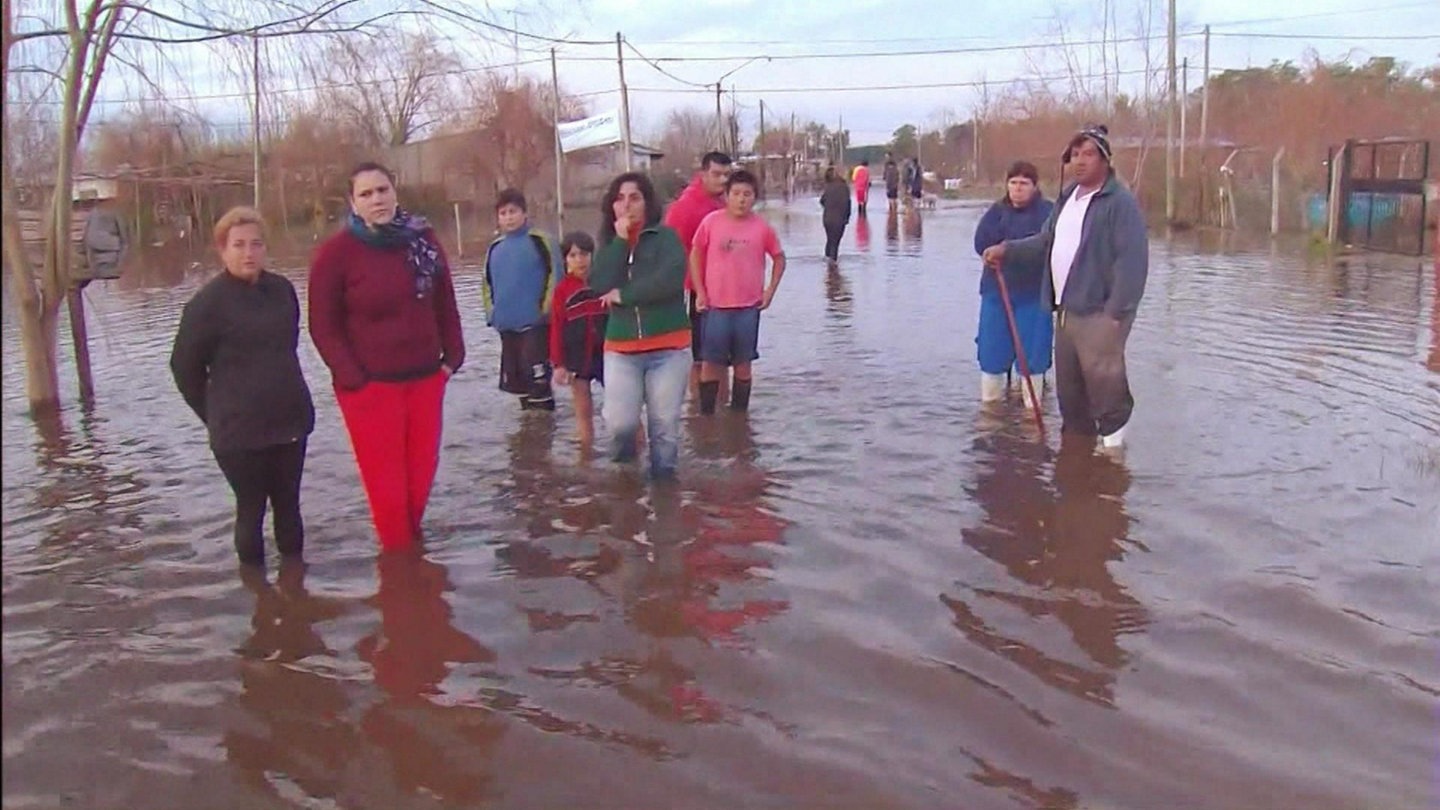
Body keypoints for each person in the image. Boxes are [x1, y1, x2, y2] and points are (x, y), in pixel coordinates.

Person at [308, 161, 466, 552]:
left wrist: (453, 357)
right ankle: (399, 569)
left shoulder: (422, 239)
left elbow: (444, 300)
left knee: (420, 483)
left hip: (426, 378)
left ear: (395, 192)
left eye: (382, 190)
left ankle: (416, 568)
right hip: (371, 388)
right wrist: (354, 378)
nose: (376, 199)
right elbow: (323, 327)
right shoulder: (335, 254)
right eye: (366, 194)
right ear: (352, 202)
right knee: (389, 495)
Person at [983, 125, 1148, 449]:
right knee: (1071, 396)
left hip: (1100, 314)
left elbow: (1132, 261)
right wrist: (1007, 249)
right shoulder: (1068, 197)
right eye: (1074, 155)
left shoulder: (1120, 203)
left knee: (1107, 391)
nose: (1080, 161)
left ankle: (1114, 459)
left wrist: (1116, 313)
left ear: (1105, 160)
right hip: (1065, 312)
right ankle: (1077, 459)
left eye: (1088, 154)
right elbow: (1047, 240)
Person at [170, 206, 315, 567]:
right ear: (223, 250)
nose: (248, 253)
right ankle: (256, 589)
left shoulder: (281, 290)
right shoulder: (206, 305)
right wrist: (214, 413)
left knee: (289, 505)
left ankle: (295, 584)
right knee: (251, 510)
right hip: (238, 433)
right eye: (239, 245)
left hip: (289, 420)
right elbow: (184, 368)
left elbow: (287, 346)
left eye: (256, 244)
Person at [590, 172, 692, 478]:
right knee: (620, 425)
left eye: (634, 198)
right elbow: (599, 284)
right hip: (621, 349)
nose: (626, 205)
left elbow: (669, 281)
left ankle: (665, 493)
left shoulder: (666, 239)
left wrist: (625, 295)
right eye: (619, 199)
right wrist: (621, 242)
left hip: (668, 348)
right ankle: (625, 487)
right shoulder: (608, 245)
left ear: (647, 203)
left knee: (664, 428)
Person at [690, 169, 787, 415]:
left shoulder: (762, 227)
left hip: (748, 308)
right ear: (726, 196)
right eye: (736, 194)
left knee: (743, 366)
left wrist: (770, 291)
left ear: (754, 197)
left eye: (747, 194)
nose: (741, 199)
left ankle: (740, 420)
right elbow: (695, 253)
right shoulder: (711, 222)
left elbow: (779, 258)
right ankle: (707, 418)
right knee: (710, 364)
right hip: (715, 307)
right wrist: (700, 291)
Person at [972, 160, 1055, 408]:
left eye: (1024, 183)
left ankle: (1032, 409)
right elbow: (981, 242)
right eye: (1013, 183)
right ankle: (991, 409)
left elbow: (1049, 246)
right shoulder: (996, 212)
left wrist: (1011, 252)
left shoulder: (1048, 213)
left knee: (1033, 354)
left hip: (1033, 294)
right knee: (992, 351)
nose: (1018, 188)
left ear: (1034, 186)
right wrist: (989, 254)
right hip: (997, 292)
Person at [482, 188, 559, 411]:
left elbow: (555, 274)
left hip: (536, 324)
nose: (509, 217)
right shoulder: (495, 248)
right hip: (507, 326)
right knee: (518, 385)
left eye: (513, 211)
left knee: (538, 383)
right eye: (503, 213)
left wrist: (545, 310)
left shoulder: (540, 241)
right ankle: (527, 427)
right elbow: (486, 283)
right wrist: (492, 314)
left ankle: (545, 425)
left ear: (524, 213)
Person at [664, 151, 732, 399]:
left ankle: (723, 410)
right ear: (703, 174)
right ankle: (700, 410)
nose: (722, 180)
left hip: (725, 291)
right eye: (716, 174)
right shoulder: (687, 206)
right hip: (697, 291)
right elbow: (671, 248)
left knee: (723, 357)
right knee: (700, 358)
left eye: (726, 175)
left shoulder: (725, 201)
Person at [548, 231, 608, 447]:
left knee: (623, 404)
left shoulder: (602, 283)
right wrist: (558, 364)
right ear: (565, 260)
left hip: (605, 354)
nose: (579, 260)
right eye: (573, 256)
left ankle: (637, 449)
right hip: (577, 356)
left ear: (592, 256)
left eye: (584, 254)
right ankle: (586, 453)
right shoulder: (562, 290)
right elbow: (556, 329)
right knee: (583, 410)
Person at [819, 166, 852, 266]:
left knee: (829, 240)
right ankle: (833, 266)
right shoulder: (844, 188)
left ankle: (827, 263)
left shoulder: (829, 186)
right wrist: (847, 218)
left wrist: (828, 207)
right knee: (835, 242)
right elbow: (848, 204)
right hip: (840, 219)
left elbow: (822, 201)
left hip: (827, 219)